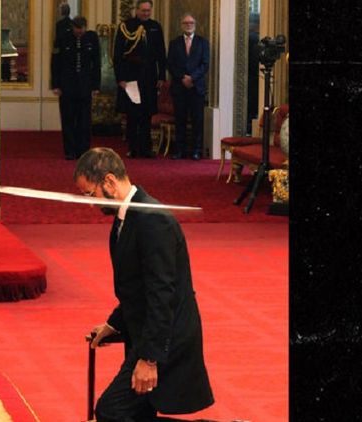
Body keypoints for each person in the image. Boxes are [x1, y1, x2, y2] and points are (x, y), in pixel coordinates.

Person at [74, 147, 214, 421]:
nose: (90, 204)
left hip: (166, 340)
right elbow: (136, 288)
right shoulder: (127, 217)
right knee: (135, 413)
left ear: (109, 181)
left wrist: (149, 359)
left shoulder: (153, 221)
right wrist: (114, 323)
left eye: (90, 194)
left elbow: (162, 294)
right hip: (146, 333)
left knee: (112, 411)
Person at [113, 0, 166, 159]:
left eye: (148, 10)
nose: (146, 13)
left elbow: (161, 54)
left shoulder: (155, 27)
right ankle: (133, 148)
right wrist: (120, 78)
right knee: (132, 113)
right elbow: (117, 55)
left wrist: (161, 76)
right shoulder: (126, 26)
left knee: (146, 113)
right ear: (136, 10)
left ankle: (146, 148)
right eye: (143, 10)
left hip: (149, 77)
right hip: (131, 77)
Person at [52, 16, 101, 160]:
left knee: (84, 120)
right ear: (72, 27)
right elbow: (55, 63)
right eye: (77, 29)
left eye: (82, 29)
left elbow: (96, 63)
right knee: (68, 118)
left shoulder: (92, 38)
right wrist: (55, 84)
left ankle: (83, 150)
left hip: (85, 85)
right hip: (67, 85)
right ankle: (70, 150)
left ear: (85, 27)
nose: (79, 31)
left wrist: (96, 85)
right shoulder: (63, 38)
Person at [167, 13, 210, 160]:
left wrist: (192, 78)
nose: (188, 25)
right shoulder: (174, 43)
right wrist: (182, 78)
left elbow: (205, 64)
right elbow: (170, 64)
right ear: (181, 25)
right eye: (185, 23)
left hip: (196, 88)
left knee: (197, 121)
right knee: (180, 120)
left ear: (195, 25)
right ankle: (180, 150)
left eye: (191, 23)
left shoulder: (202, 43)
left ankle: (197, 150)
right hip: (179, 87)